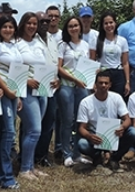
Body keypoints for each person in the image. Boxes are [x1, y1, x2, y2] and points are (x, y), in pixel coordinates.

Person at [0, 16, 23, 189]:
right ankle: (6, 176)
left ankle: (4, 174)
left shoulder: (14, 46)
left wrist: (19, 95)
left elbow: (17, 73)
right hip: (3, 94)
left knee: (10, 132)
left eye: (11, 27)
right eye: (5, 26)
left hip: (14, 94)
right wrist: (6, 89)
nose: (8, 30)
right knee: (7, 132)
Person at [76, 71, 135, 172]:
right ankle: (97, 159)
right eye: (100, 83)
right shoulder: (86, 102)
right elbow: (81, 128)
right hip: (96, 136)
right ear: (95, 84)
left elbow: (127, 119)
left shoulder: (116, 98)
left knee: (133, 132)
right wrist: (89, 136)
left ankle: (115, 159)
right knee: (82, 143)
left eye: (106, 83)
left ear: (110, 85)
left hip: (114, 134)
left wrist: (122, 127)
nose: (103, 85)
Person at [15, 12, 51, 178]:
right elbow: (12, 69)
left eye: (34, 24)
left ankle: (30, 166)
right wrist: (26, 81)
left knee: (34, 129)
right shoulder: (16, 43)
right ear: (23, 24)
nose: (32, 26)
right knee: (34, 130)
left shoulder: (38, 41)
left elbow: (45, 64)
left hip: (42, 89)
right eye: (29, 23)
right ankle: (24, 169)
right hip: (25, 90)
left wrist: (53, 79)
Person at [56, 16, 91, 166]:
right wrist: (74, 79)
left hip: (82, 88)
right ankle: (66, 153)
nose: (74, 28)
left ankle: (77, 153)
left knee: (80, 121)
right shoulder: (63, 45)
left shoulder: (85, 45)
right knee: (67, 121)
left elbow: (88, 65)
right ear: (67, 29)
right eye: (70, 26)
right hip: (66, 87)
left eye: (76, 25)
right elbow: (58, 67)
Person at [33, 11, 62, 167]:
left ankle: (41, 155)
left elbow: (55, 64)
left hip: (51, 86)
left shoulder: (53, 39)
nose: (45, 23)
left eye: (46, 20)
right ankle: (27, 156)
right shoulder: (31, 40)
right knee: (33, 124)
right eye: (41, 21)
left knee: (49, 123)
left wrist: (57, 79)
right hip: (35, 86)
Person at [89, 11, 130, 99]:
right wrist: (92, 81)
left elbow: (125, 62)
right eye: (106, 23)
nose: (109, 25)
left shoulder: (122, 40)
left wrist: (127, 82)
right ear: (102, 25)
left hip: (118, 73)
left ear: (115, 23)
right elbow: (91, 61)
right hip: (103, 73)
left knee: (118, 99)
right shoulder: (96, 40)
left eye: (111, 22)